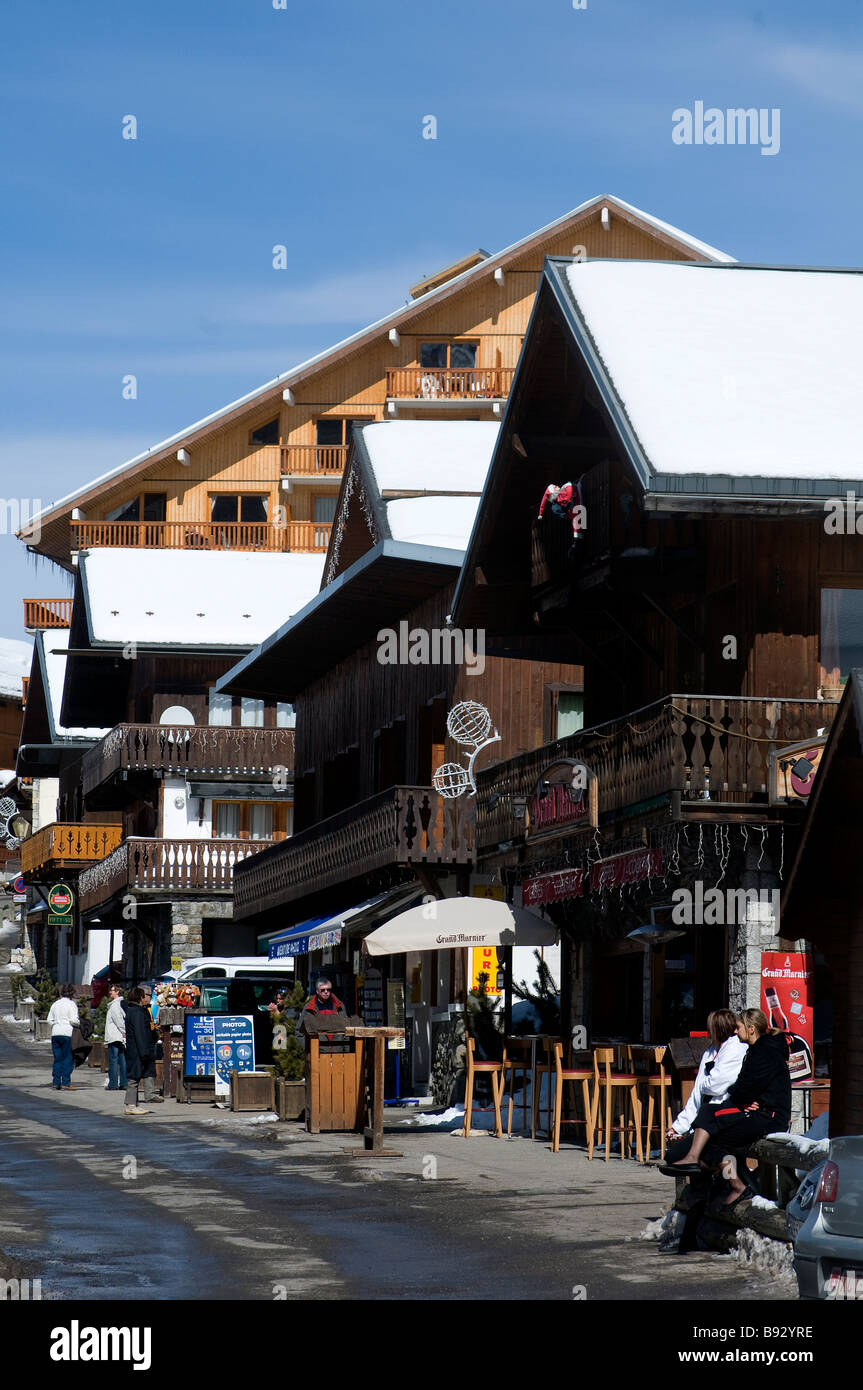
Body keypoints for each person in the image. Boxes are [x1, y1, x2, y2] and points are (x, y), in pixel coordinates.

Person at [661, 1008, 792, 1206]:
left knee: (711, 1125)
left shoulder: (765, 1052)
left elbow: (745, 1088)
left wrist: (741, 1097)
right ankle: (720, 1180)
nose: (735, 1031)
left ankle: (733, 1183)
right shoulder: (756, 1051)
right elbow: (743, 1086)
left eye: (738, 1028)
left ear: (751, 1029)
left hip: (768, 1116)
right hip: (758, 1112)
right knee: (712, 1132)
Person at [664, 1009, 748, 1160]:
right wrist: (679, 1126)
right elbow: (697, 1093)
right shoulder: (711, 1052)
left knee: (682, 1155)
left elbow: (716, 1085)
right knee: (673, 1155)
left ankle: (733, 1180)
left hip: (725, 1115)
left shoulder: (736, 1048)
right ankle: (716, 1177)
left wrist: (705, 1084)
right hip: (706, 1119)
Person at [122, 986, 162, 1115]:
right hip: (138, 1050)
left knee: (137, 1075)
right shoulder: (137, 1013)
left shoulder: (135, 1011)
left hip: (137, 1049)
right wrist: (145, 1052)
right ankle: (131, 1105)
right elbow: (140, 1034)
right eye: (144, 996)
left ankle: (134, 1104)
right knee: (134, 1077)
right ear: (140, 997)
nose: (146, 998)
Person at [47, 984, 80, 1092]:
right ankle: (65, 1082)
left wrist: (56, 1024)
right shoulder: (71, 1004)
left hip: (56, 1032)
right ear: (71, 993)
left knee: (58, 1058)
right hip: (67, 1032)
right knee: (68, 1058)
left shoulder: (55, 1004)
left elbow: (49, 1020)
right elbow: (74, 1020)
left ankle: (56, 1082)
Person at [104, 984, 127, 1092]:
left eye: (112, 990)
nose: (110, 992)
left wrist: (124, 1031)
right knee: (122, 1060)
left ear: (117, 992)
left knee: (113, 1060)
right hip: (120, 1036)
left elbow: (118, 1020)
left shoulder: (115, 1005)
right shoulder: (121, 1003)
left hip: (115, 1036)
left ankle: (113, 1083)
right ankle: (124, 1082)